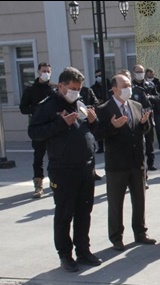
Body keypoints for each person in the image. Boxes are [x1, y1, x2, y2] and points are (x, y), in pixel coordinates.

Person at [28, 67, 101, 272]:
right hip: (63, 169)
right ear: (60, 86)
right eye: (72, 88)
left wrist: (95, 122)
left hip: (85, 168)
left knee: (84, 212)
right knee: (64, 214)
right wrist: (60, 123)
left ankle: (83, 251)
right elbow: (34, 132)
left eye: (78, 88)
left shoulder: (80, 103)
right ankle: (65, 255)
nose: (76, 92)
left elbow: (92, 131)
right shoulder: (48, 106)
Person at [95, 74, 156, 251]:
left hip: (137, 162)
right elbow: (98, 134)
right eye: (124, 85)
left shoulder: (136, 106)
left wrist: (144, 124)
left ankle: (140, 232)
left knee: (139, 200)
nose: (128, 88)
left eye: (129, 85)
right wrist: (113, 126)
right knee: (116, 203)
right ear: (114, 89)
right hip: (117, 165)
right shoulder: (104, 109)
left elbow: (142, 130)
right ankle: (116, 238)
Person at [20, 62, 55, 199]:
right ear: (38, 72)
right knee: (38, 157)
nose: (46, 73)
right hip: (38, 128)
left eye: (48, 71)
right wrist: (38, 110)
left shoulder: (53, 89)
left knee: (55, 156)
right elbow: (23, 108)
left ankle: (54, 182)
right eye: (44, 71)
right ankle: (38, 184)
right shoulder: (30, 90)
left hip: (53, 127)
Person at [132, 64, 159, 171]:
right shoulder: (131, 87)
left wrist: (150, 98)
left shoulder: (150, 85)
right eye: (138, 72)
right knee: (139, 142)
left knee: (150, 141)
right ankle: (140, 163)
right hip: (136, 117)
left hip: (148, 116)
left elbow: (157, 97)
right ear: (134, 73)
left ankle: (151, 163)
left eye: (142, 71)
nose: (140, 74)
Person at [145, 67, 160, 154]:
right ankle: (149, 149)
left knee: (159, 130)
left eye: (152, 73)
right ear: (146, 74)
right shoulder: (143, 82)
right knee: (148, 131)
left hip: (156, 109)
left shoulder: (156, 81)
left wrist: (155, 96)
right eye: (150, 73)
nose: (151, 75)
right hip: (147, 110)